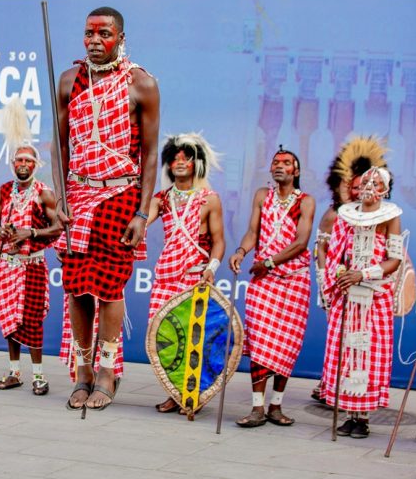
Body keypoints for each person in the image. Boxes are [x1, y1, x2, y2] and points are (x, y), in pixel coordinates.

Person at [53, 6, 160, 411]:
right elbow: (59, 146)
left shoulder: (141, 84)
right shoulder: (69, 81)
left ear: (121, 38)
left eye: (105, 34)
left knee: (110, 286)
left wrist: (142, 214)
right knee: (77, 286)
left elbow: (150, 154)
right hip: (78, 195)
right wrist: (60, 197)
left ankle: (107, 371)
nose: (95, 41)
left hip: (120, 195)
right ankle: (81, 372)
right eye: (89, 33)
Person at [229, 149, 315, 427]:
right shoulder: (262, 196)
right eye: (276, 162)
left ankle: (276, 406)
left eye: (286, 163)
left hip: (294, 281)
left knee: (286, 343)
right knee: (260, 342)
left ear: (296, 171)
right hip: (263, 281)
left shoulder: (306, 201)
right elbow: (253, 232)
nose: (280, 166)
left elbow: (301, 243)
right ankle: (257, 407)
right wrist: (241, 251)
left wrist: (268, 262)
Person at [146, 133, 225, 415]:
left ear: (197, 164)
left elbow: (218, 241)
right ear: (168, 164)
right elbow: (142, 221)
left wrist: (211, 269)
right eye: (175, 158)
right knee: (165, 338)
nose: (180, 162)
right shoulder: (162, 199)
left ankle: (192, 395)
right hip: (167, 278)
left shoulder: (209, 200)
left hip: (195, 277)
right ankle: (174, 392)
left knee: (193, 340)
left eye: (186, 158)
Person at [322, 164, 402, 439]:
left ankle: (363, 418)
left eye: (375, 183)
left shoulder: (391, 217)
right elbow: (335, 254)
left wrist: (364, 274)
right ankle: (348, 414)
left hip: (374, 296)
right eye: (366, 181)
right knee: (345, 353)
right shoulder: (346, 215)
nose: (369, 187)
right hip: (347, 294)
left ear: (385, 189)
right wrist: (341, 275)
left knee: (367, 355)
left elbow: (394, 259)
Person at [0, 98, 61, 395]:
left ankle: (39, 376)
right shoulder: (3, 191)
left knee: (32, 321)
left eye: (28, 161)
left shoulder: (45, 194)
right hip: (7, 266)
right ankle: (14, 372)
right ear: (12, 164)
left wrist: (29, 232)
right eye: (18, 160)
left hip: (32, 265)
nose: (22, 164)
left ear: (36, 165)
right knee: (10, 321)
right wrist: (1, 232)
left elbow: (59, 228)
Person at [312, 137, 388, 402]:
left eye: (363, 185)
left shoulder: (385, 217)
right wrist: (326, 283)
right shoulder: (336, 215)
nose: (358, 191)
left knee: (366, 344)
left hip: (370, 291)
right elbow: (322, 250)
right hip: (339, 287)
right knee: (340, 340)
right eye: (353, 186)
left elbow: (391, 256)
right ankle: (331, 386)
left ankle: (359, 399)